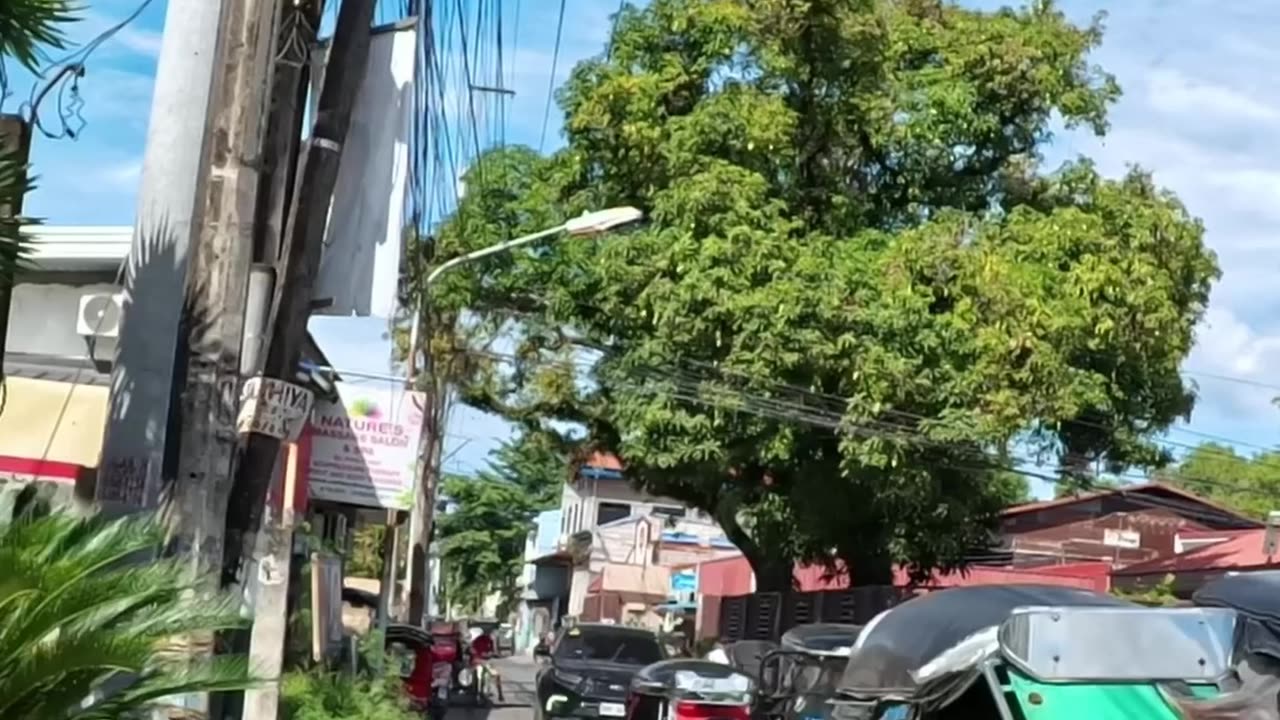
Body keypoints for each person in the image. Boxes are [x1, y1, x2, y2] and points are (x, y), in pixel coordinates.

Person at [470, 628, 504, 703]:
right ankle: (477, 693)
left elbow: (492, 651)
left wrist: (491, 654)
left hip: (487, 662)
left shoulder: (490, 641)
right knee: (479, 676)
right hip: (478, 662)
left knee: (497, 675)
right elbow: (472, 650)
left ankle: (500, 694)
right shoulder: (477, 640)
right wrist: (479, 655)